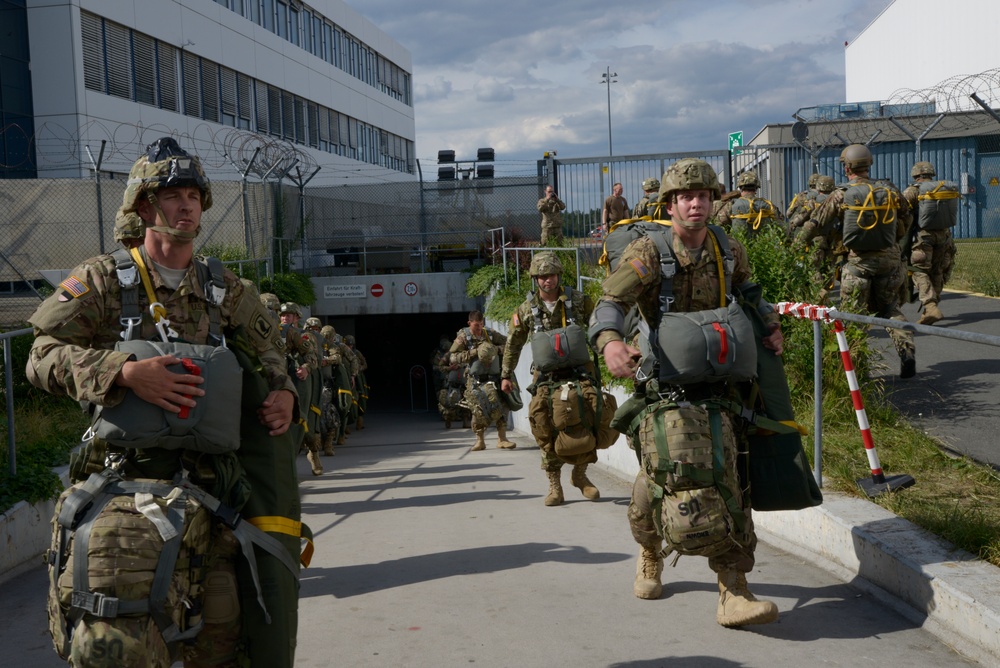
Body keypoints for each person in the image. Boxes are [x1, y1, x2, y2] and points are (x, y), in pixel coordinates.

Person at [27, 137, 302, 666]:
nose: (186, 205)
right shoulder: (103, 281)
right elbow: (39, 356)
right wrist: (124, 372)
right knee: (115, 645)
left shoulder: (224, 288)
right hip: (129, 490)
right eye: (172, 194)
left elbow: (272, 352)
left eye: (194, 195)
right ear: (144, 206)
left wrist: (284, 392)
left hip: (213, 495)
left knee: (228, 642)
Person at [590, 157, 784, 627]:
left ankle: (733, 590)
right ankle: (650, 551)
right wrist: (610, 341)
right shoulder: (649, 252)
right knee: (657, 483)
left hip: (722, 386)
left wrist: (772, 324)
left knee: (734, 483)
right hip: (664, 388)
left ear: (714, 200)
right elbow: (610, 300)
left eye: (703, 196)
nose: (695, 203)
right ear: (671, 204)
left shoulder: (727, 247)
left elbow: (750, 290)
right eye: (685, 197)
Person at [799, 144, 915, 378]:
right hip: (889, 261)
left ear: (847, 167)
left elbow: (817, 222)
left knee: (854, 315)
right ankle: (907, 352)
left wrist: (798, 243)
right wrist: (896, 239)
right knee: (891, 308)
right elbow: (907, 216)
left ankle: (858, 371)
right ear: (868, 164)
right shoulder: (889, 190)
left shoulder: (841, 193)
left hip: (858, 263)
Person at [501, 251, 601, 506]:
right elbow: (513, 344)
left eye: (552, 275)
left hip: (580, 373)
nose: (548, 281)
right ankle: (555, 486)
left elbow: (600, 327)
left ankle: (580, 476)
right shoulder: (525, 310)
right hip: (546, 377)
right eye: (543, 276)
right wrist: (505, 375)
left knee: (589, 421)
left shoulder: (578, 300)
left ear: (559, 276)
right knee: (544, 426)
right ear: (535, 279)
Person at [449, 310, 515, 451]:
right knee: (477, 410)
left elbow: (509, 345)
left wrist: (494, 349)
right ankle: (480, 441)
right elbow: (452, 357)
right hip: (476, 380)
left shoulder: (490, 334)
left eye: (481, 324)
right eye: (476, 325)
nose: (479, 328)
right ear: (469, 323)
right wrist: (473, 353)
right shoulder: (463, 337)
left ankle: (502, 439)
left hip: (494, 378)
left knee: (503, 406)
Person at [901, 161, 958, 325]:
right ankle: (930, 310)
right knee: (937, 271)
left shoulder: (913, 190)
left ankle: (930, 306)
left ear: (915, 175)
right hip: (945, 237)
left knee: (918, 269)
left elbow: (902, 211)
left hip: (923, 238)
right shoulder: (942, 188)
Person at [280, 302, 323, 474]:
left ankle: (314, 452)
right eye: (283, 315)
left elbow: (312, 357)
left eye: (289, 315)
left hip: (300, 379)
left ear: (297, 317)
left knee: (304, 424)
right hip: (280, 378)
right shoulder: (273, 331)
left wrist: (305, 367)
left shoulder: (305, 336)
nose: (285, 317)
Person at [714, 170, 784, 236]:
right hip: (764, 247)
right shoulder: (768, 205)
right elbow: (781, 226)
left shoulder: (731, 205)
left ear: (740, 187)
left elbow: (719, 225)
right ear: (756, 187)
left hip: (739, 247)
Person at [344, 334, 368, 431]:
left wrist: (359, 369)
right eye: (348, 345)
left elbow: (364, 364)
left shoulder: (357, 353)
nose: (350, 347)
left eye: (351, 345)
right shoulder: (343, 353)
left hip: (359, 378)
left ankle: (360, 421)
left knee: (361, 398)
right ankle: (346, 425)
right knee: (348, 400)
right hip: (348, 378)